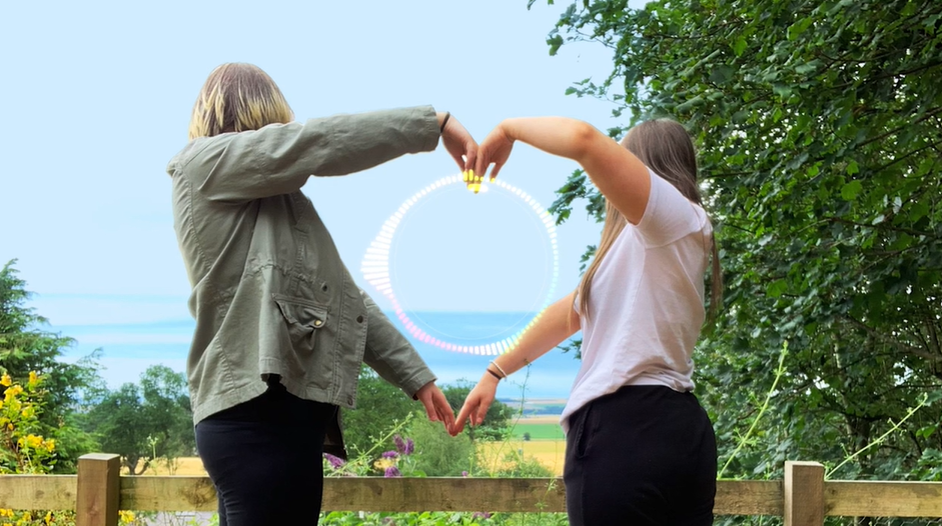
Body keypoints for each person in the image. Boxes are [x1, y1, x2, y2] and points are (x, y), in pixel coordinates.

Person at [166, 63, 472, 526]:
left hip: (289, 422)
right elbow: (315, 143)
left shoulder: (286, 208)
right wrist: (434, 123)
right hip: (255, 419)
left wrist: (416, 377)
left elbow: (348, 303)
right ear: (267, 112)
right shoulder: (202, 164)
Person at [453, 117, 722, 525]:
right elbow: (569, 314)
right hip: (678, 428)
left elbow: (583, 140)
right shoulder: (645, 249)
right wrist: (494, 372)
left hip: (626, 431)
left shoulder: (672, 218)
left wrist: (507, 130)